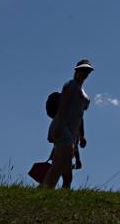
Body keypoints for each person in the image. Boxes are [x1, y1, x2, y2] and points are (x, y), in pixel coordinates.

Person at [42, 59, 93, 189]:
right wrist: (59, 126)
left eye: (87, 71)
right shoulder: (70, 85)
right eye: (83, 70)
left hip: (71, 132)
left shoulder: (85, 96)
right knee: (61, 161)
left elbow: (80, 116)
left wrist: (81, 136)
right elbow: (62, 108)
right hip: (62, 126)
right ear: (76, 71)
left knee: (63, 168)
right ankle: (46, 188)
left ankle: (47, 189)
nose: (85, 73)